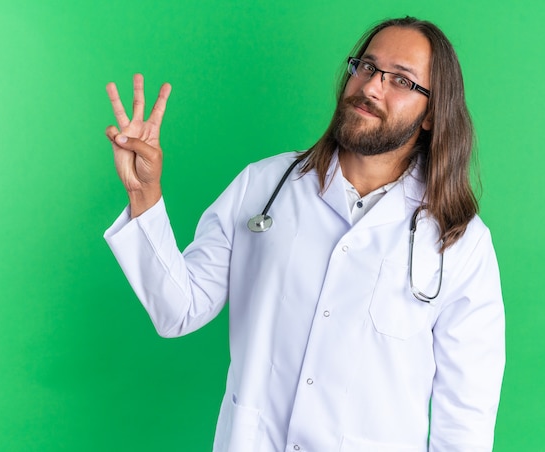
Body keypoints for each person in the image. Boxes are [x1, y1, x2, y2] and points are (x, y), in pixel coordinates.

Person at [104, 16, 505, 452]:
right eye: (366, 67)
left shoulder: (459, 241)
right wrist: (144, 193)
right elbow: (177, 310)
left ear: (432, 114)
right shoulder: (263, 187)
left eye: (401, 81)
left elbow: (465, 416)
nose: (371, 87)